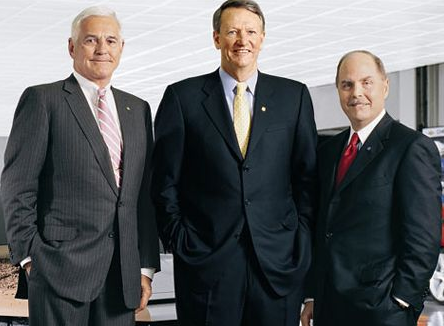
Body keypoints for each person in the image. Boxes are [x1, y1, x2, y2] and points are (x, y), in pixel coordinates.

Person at [151, 1, 317, 325]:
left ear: (263, 37)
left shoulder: (293, 96)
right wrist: (181, 240)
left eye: (251, 31)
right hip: (206, 267)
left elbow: (307, 181)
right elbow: (163, 183)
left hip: (278, 267)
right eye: (232, 31)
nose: (243, 40)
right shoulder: (182, 98)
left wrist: (301, 242)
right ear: (216, 39)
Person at [0, 6, 160, 326]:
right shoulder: (43, 100)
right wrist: (31, 259)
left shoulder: (137, 109)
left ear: (121, 48)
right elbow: (17, 187)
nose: (102, 48)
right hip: (59, 272)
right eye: (91, 40)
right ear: (72, 47)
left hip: (122, 279)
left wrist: (144, 267)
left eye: (111, 40)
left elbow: (143, 196)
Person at [301, 50, 442, 326]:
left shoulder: (410, 147)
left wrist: (402, 300)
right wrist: (312, 295)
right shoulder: (328, 151)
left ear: (385, 86)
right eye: (347, 84)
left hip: (382, 309)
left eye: (367, 82)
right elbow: (323, 229)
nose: (357, 93)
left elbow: (423, 235)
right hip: (330, 305)